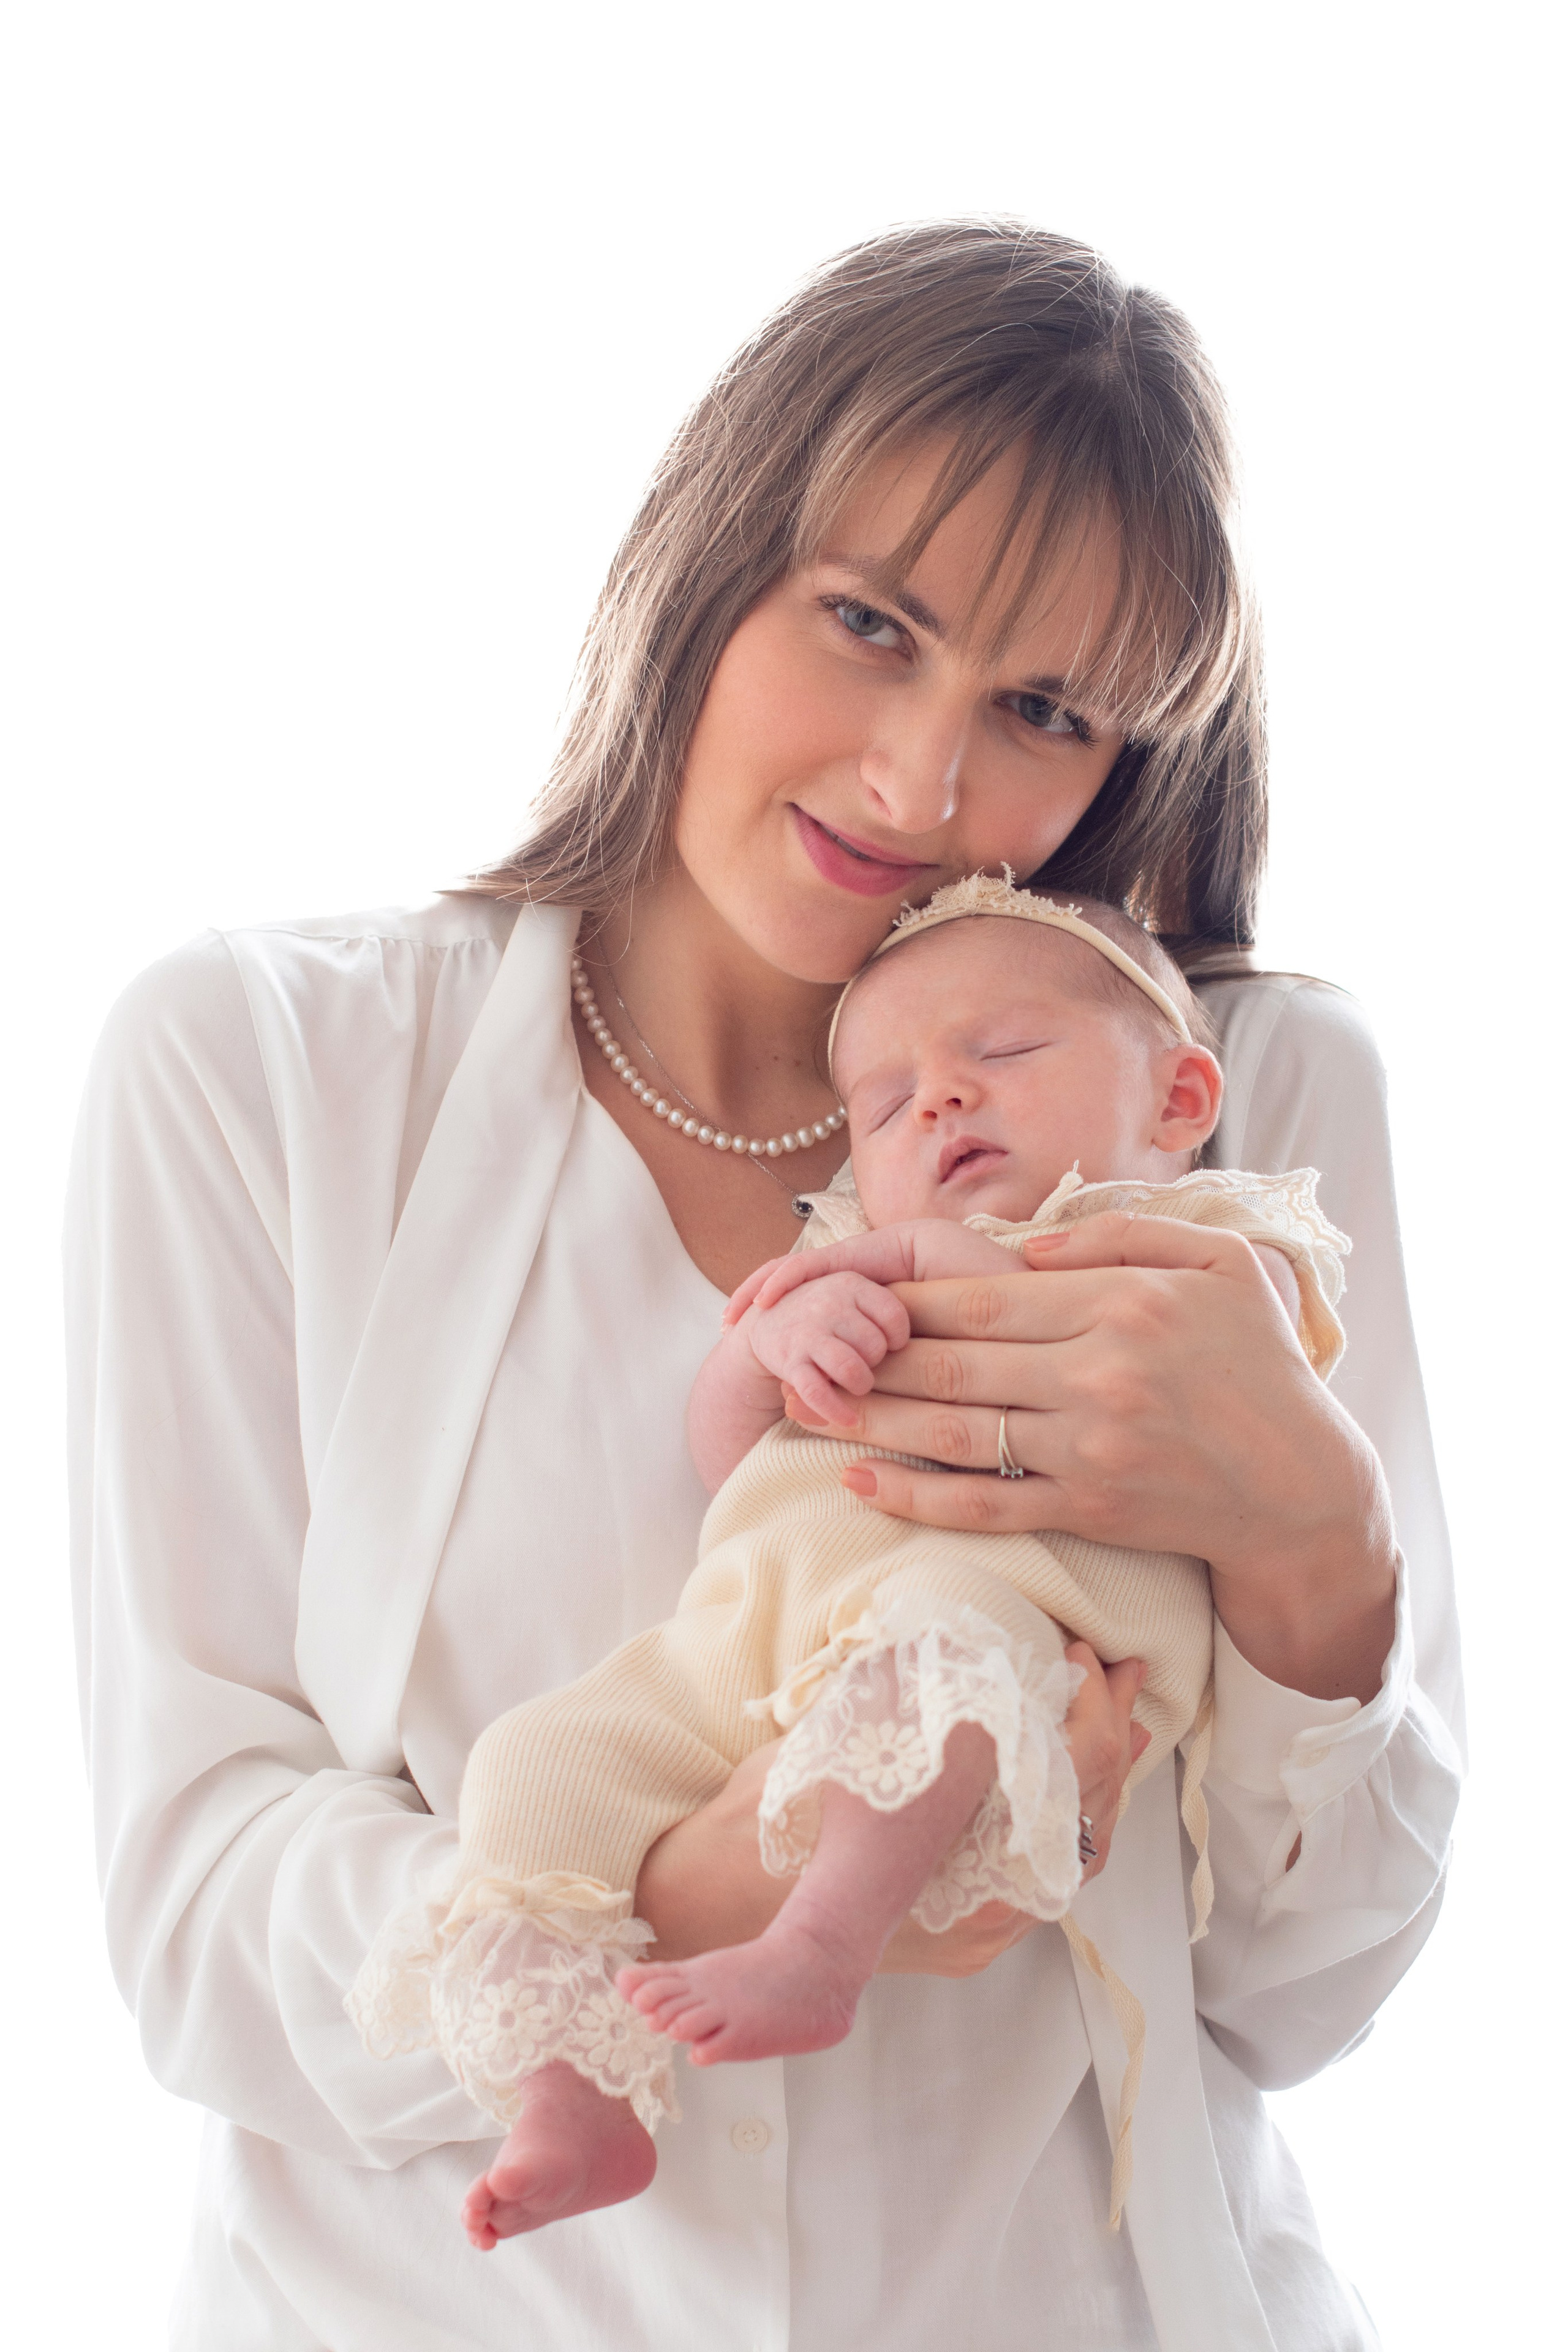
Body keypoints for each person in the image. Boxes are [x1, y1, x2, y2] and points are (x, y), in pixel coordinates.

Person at [67, 221, 1463, 2350]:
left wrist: (1314, 1530)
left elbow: (1306, 1988)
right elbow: (197, 1922)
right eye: (868, 622)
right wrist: (712, 1887)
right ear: (703, 555)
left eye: (1044, 708)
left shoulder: (1235, 1106)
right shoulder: (262, 1068)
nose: (923, 786)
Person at [353, 876, 1352, 2253]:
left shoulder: (1212, 1244)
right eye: (882, 1106)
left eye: (1002, 1052)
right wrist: (768, 1351)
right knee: (534, 1765)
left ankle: (819, 1944)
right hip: (759, 1629)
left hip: (1027, 1612)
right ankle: (576, 2079)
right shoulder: (840, 1258)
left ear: (1179, 1099)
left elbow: (1259, 1393)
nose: (938, 1100)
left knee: (933, 1657)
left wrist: (916, 1258)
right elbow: (729, 1460)